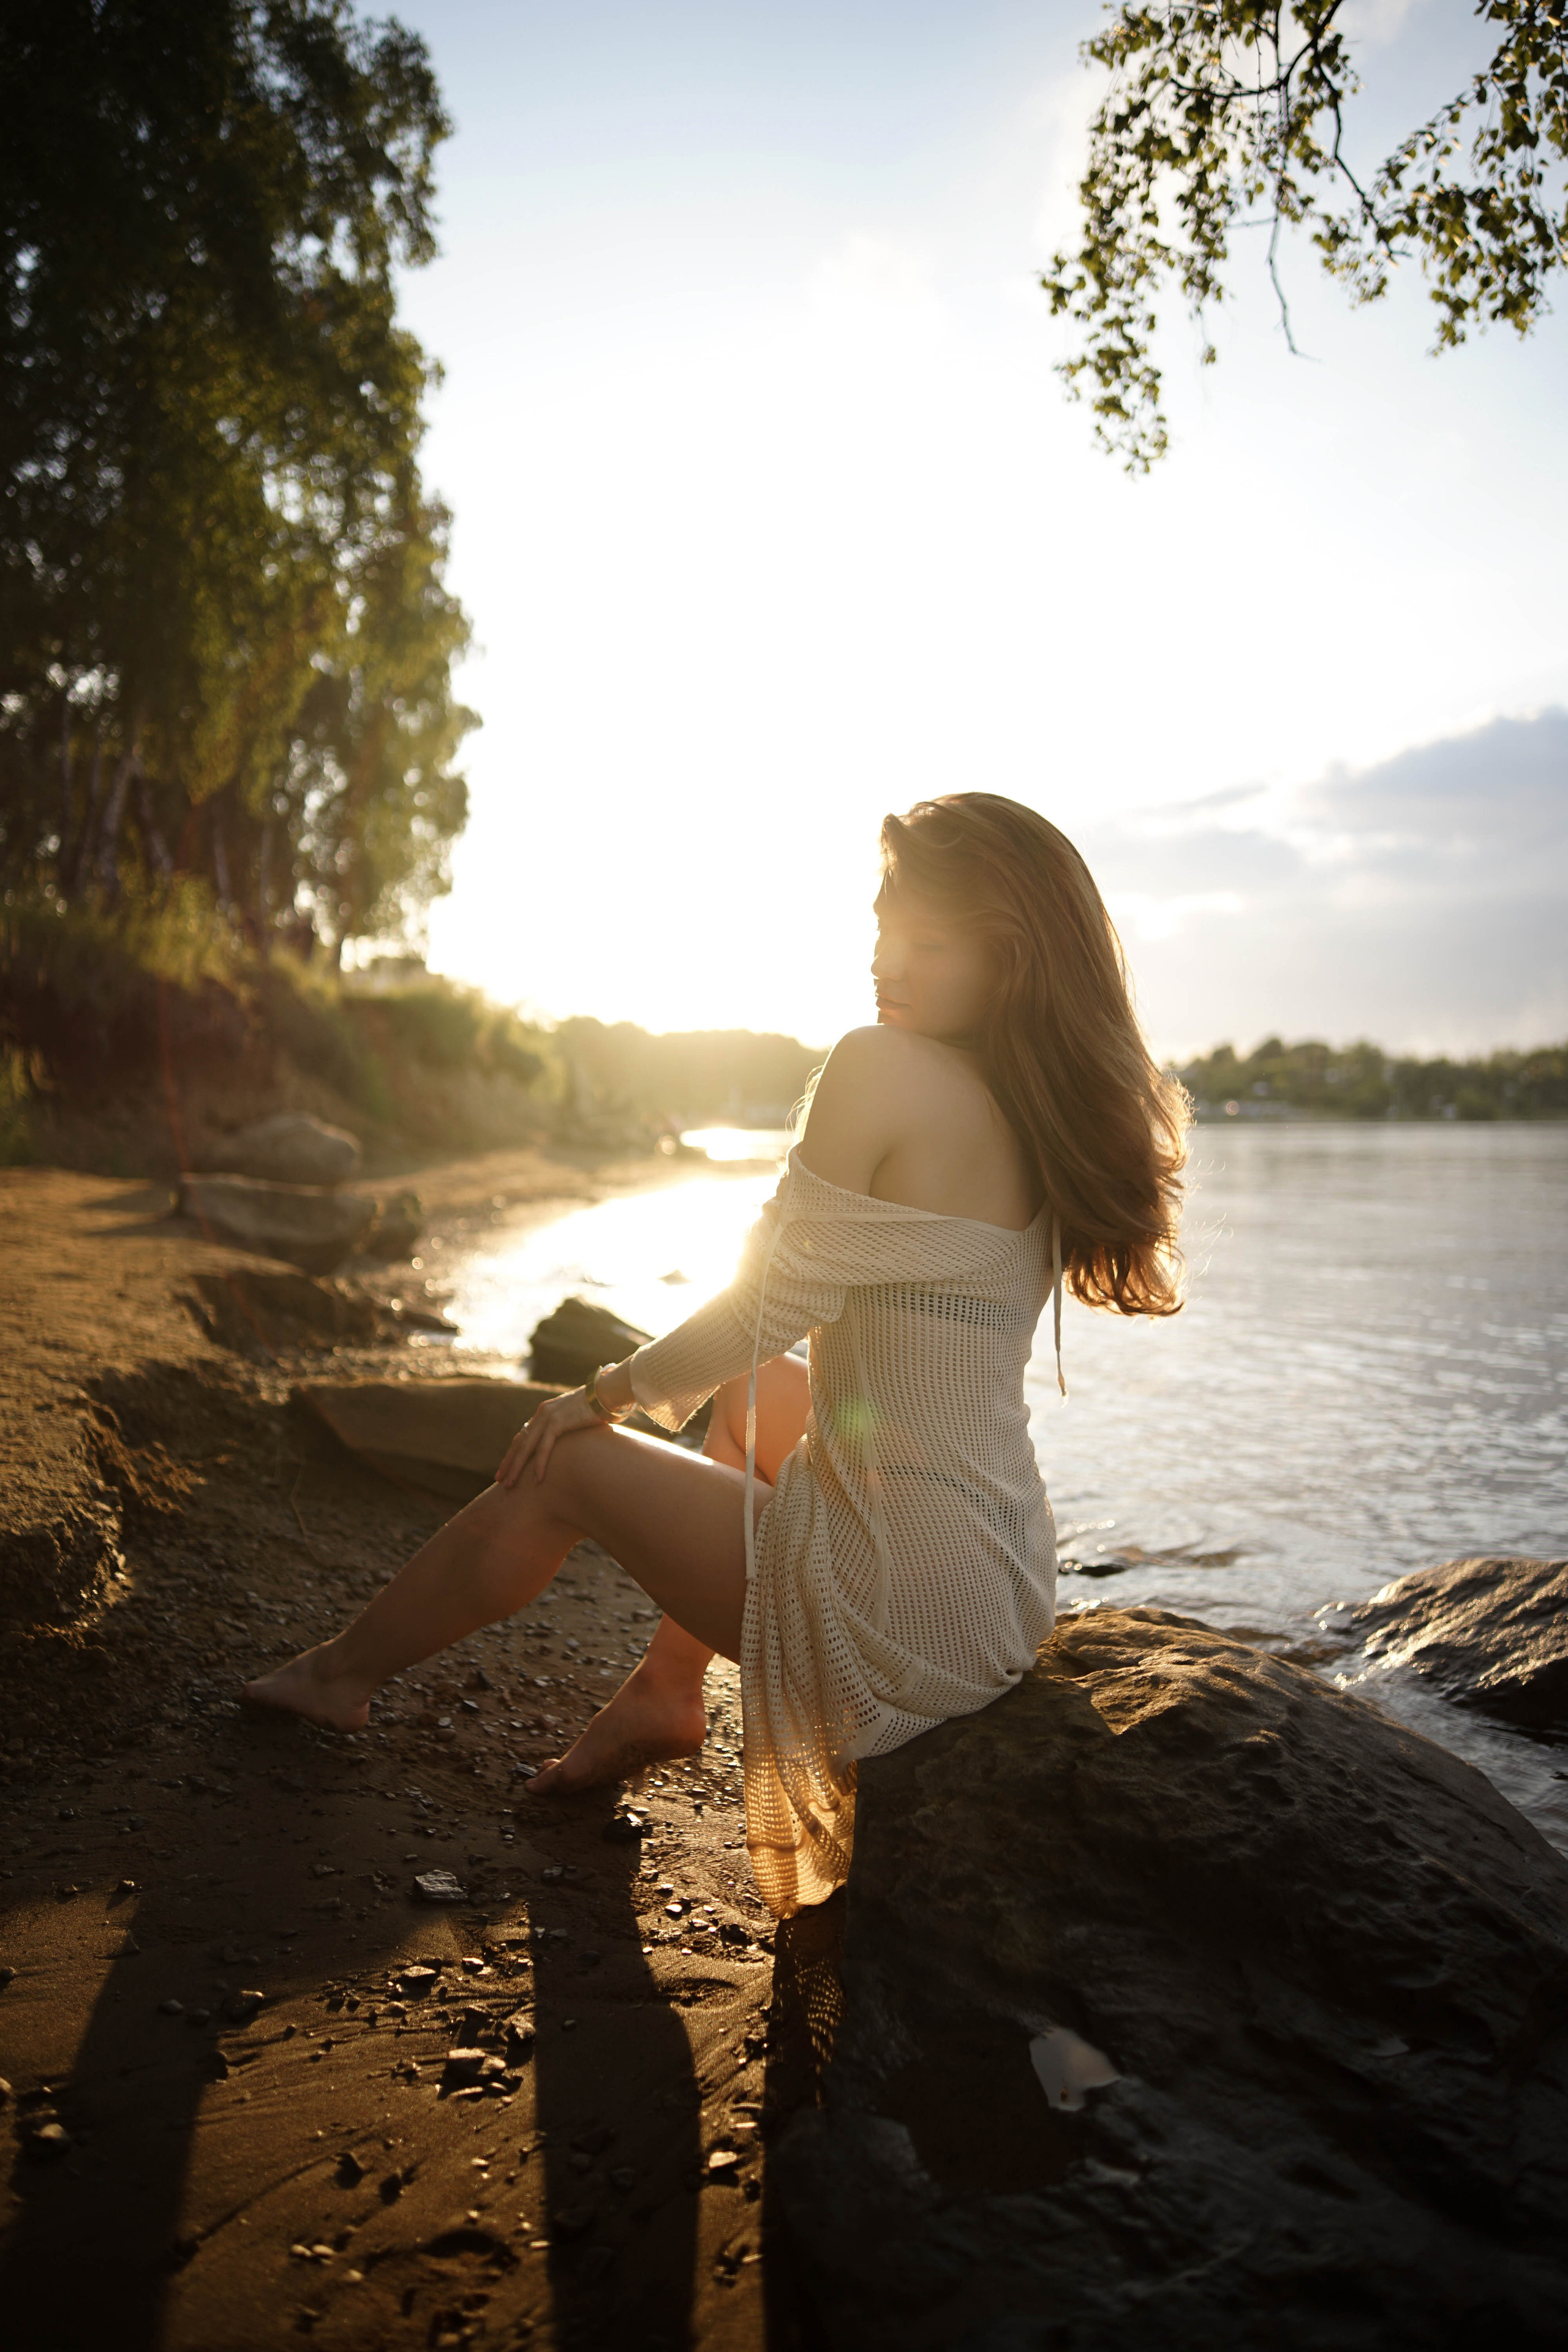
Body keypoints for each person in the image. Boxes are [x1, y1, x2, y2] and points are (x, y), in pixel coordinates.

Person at [243, 794, 1188, 1915]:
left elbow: (767, 1302)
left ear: (1014, 958)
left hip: (899, 1612)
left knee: (571, 1465)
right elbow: (774, 1342)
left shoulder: (883, 1064)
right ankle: (662, 1693)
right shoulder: (1040, 1105)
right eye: (886, 926)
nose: (886, 960)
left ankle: (338, 1679)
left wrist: (599, 1394)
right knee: (756, 1402)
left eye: (930, 942)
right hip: (998, 1583)